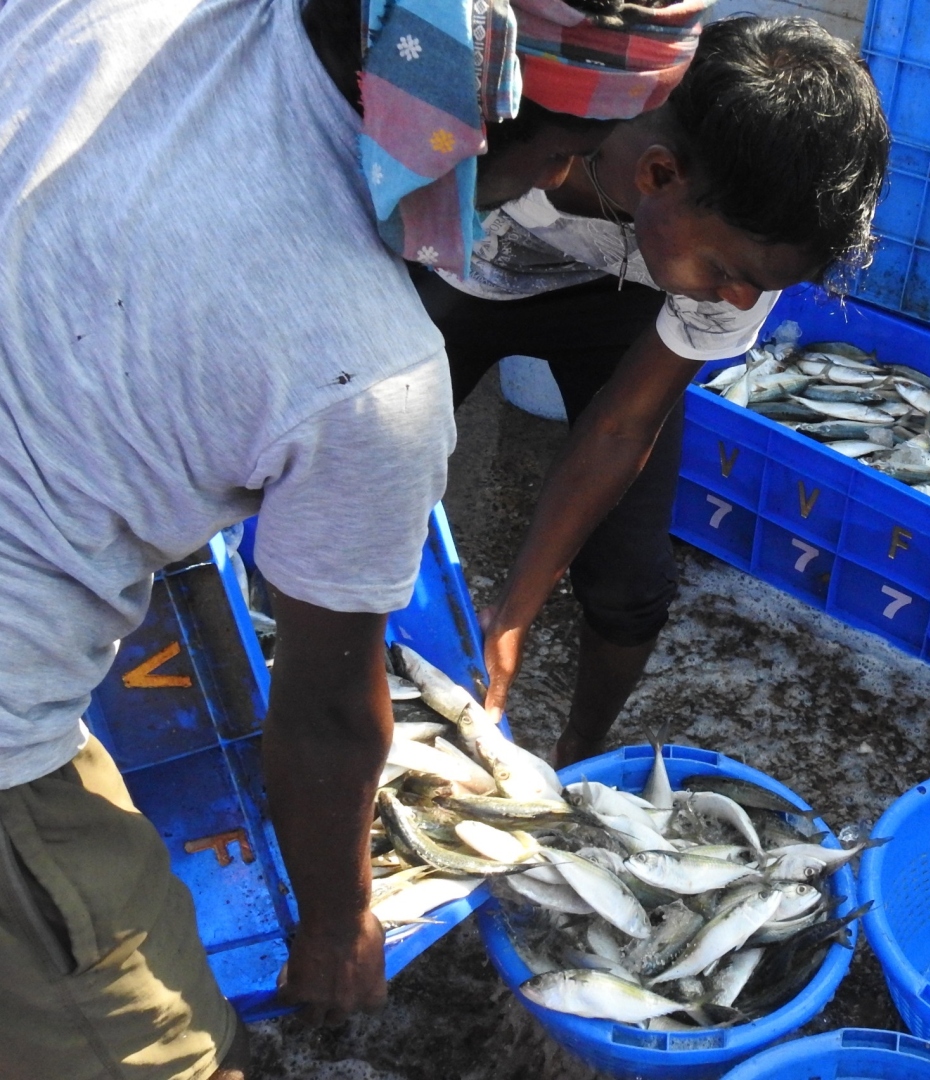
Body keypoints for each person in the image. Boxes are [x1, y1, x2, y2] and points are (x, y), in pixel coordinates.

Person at [0, 0, 709, 1075]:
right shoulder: (374, 373)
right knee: (178, 1051)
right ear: (479, 104)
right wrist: (339, 925)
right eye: (563, 148)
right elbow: (327, 715)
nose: (558, 177)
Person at [413, 15, 892, 765]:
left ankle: (580, 758)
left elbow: (620, 428)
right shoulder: (517, 126)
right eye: (731, 276)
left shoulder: (752, 248)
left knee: (631, 582)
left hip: (620, 311)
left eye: (759, 287)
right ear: (659, 175)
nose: (742, 302)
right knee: (360, 487)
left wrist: (512, 614)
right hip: (458, 278)